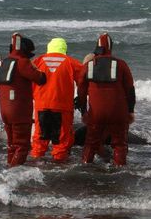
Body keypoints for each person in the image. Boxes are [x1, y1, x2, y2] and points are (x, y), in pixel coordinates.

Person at [76, 33, 136, 165]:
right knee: (119, 144)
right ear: (111, 47)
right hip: (118, 112)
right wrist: (131, 111)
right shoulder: (121, 65)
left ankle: (85, 168)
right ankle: (120, 171)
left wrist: (83, 112)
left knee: (91, 143)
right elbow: (130, 90)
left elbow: (80, 91)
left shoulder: (88, 66)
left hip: (96, 113)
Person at [0, 33, 47, 166]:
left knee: (12, 144)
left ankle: (9, 170)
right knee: (22, 146)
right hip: (18, 111)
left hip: (4, 110)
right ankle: (15, 176)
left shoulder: (4, 62)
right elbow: (41, 79)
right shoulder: (23, 62)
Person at [30, 38, 84, 162]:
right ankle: (58, 170)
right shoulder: (71, 62)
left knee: (39, 139)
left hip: (41, 105)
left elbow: (28, 82)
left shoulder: (37, 61)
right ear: (64, 49)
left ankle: (35, 165)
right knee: (61, 141)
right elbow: (84, 80)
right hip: (62, 107)